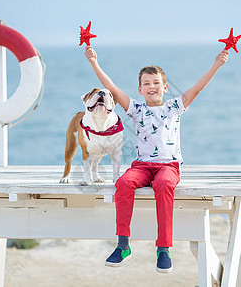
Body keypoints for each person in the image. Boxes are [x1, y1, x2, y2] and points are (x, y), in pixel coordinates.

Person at [84, 45, 229, 273]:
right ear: (140, 89)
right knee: (123, 183)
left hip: (168, 166)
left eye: (156, 82)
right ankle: (123, 245)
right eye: (146, 84)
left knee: (163, 185)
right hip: (142, 166)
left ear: (164, 87)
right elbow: (111, 87)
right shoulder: (135, 108)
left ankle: (163, 248)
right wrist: (94, 61)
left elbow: (198, 88)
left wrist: (216, 65)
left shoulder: (175, 106)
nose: (151, 86)